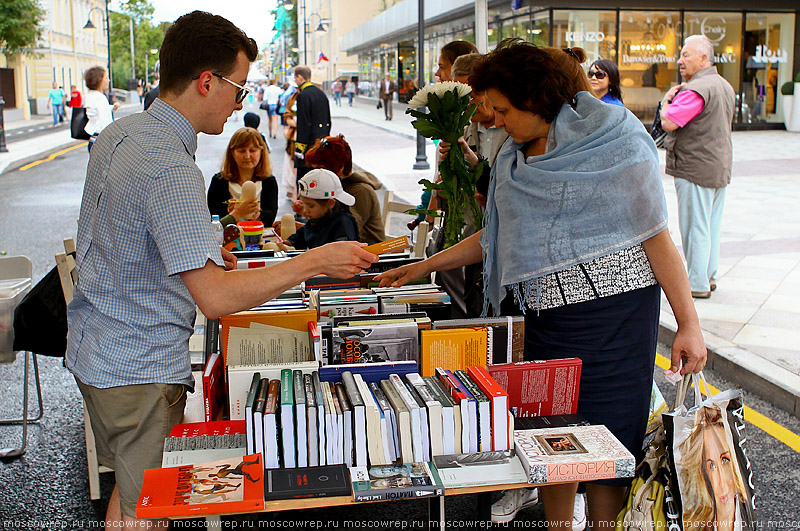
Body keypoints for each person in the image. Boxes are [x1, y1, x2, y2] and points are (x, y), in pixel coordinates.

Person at [375, 39, 707, 530]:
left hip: (618, 322)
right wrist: (422, 267)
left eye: (504, 109)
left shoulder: (618, 140)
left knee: (610, 441)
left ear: (537, 99)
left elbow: (657, 237)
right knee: (552, 436)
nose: (496, 120)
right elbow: (498, 235)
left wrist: (689, 325)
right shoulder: (514, 156)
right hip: (547, 321)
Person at [66, 12, 377, 529]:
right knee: (151, 510)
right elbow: (214, 299)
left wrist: (203, 245)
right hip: (137, 367)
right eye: (238, 87)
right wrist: (313, 261)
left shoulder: (124, 134)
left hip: (99, 349)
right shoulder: (171, 165)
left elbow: (123, 234)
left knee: (131, 488)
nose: (241, 103)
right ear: (206, 81)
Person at [661, 35, 735, 299]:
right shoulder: (724, 85)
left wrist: (666, 101)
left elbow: (669, 121)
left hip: (695, 168)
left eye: (686, 55)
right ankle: (709, 276)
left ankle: (698, 283)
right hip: (718, 166)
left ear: (704, 58)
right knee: (711, 226)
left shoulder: (696, 89)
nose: (680, 60)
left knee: (696, 227)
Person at [678, 406, 751, 531]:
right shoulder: (692, 525)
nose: (720, 480)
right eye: (711, 466)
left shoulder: (748, 513)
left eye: (725, 460)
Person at [304, 135, 386, 244]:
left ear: (340, 167)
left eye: (322, 169)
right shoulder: (333, 186)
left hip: (367, 252)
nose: (317, 174)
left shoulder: (361, 191)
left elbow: (347, 230)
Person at [207, 127, 278, 227]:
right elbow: (213, 221)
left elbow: (270, 218)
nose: (247, 156)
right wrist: (234, 214)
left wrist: (257, 215)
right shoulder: (219, 181)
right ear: (232, 153)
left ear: (261, 152)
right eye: (241, 151)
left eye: (252, 151)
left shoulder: (269, 181)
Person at [286, 169, 359, 250]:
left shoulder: (342, 224)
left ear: (330, 203)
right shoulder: (319, 218)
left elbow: (341, 254)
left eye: (311, 206)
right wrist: (291, 242)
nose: (306, 210)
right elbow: (305, 232)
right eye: (303, 204)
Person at [293, 66, 331, 184]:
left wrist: (299, 150)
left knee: (305, 182)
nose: (295, 81)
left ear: (300, 77)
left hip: (308, 147)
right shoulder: (321, 94)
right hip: (321, 145)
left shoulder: (303, 95)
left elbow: (303, 125)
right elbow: (328, 120)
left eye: (295, 78)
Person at [83, 66, 120, 152]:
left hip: (93, 139)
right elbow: (105, 123)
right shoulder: (100, 98)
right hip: (102, 142)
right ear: (99, 80)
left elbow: (96, 111)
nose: (109, 80)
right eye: (106, 78)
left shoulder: (89, 96)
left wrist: (111, 107)